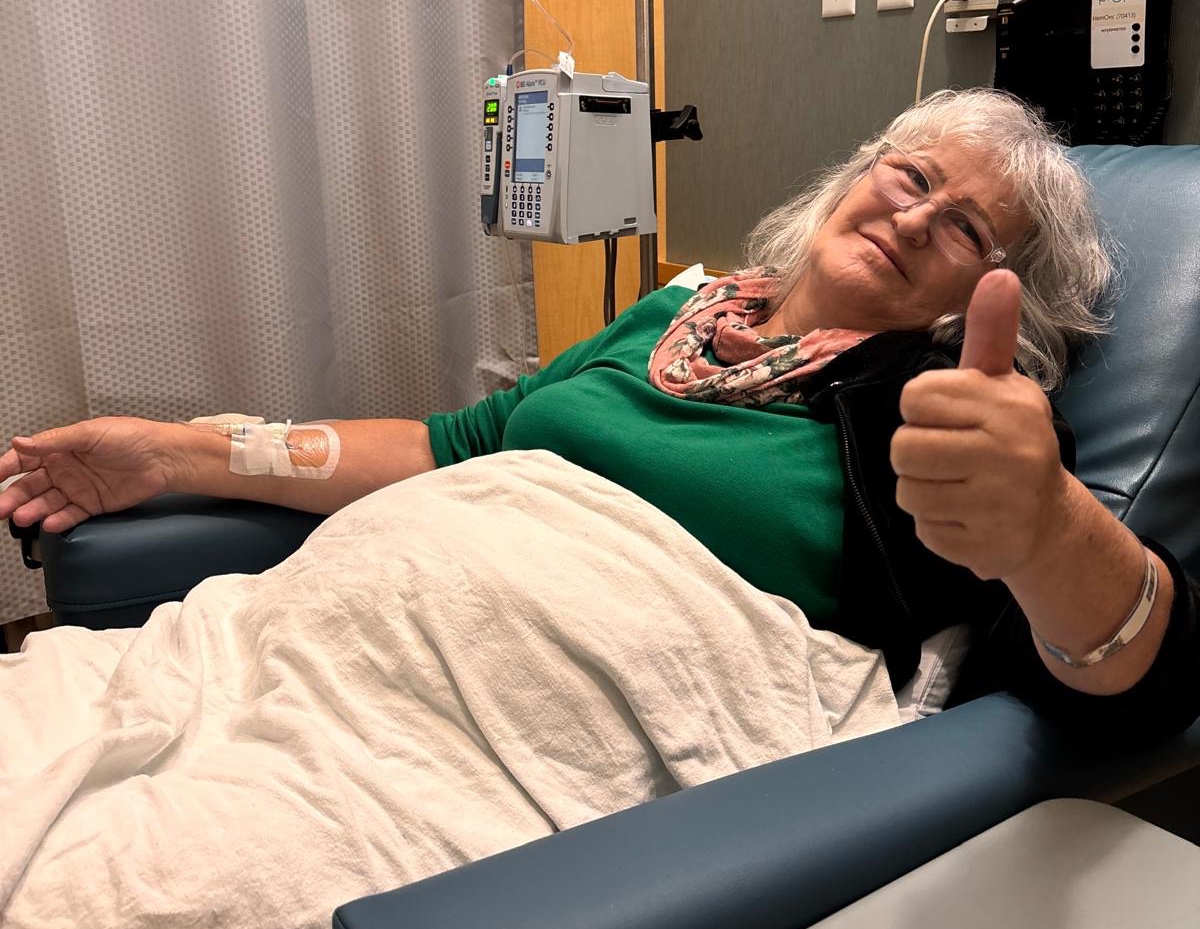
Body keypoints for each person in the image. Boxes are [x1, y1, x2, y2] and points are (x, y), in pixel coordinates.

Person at [3, 85, 1198, 740]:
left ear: (989, 294)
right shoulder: (680, 306)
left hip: (507, 736)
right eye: (912, 175)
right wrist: (178, 451)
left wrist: (1049, 528)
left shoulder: (943, 419)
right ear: (859, 171)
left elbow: (1116, 682)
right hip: (316, 650)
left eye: (966, 228)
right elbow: (442, 447)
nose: (916, 216)